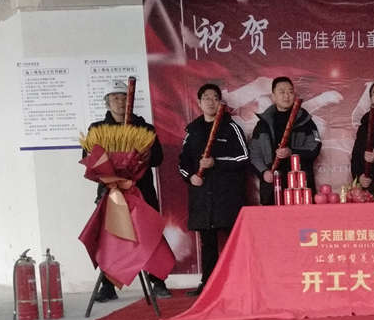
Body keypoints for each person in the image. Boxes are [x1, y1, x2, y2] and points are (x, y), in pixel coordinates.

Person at [85, 79, 171, 301]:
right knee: (110, 238)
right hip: (111, 193)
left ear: (131, 101)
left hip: (141, 193)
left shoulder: (145, 129)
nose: (120, 101)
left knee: (149, 234)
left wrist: (143, 158)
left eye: (124, 97)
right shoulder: (97, 130)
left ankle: (158, 281)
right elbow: (88, 159)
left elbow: (158, 159)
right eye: (114, 98)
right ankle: (108, 286)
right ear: (107, 102)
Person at [179, 83, 249, 296]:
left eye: (215, 98)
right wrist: (190, 177)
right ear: (199, 103)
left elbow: (243, 157)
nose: (211, 102)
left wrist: (215, 162)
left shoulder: (231, 127)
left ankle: (239, 282)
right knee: (207, 243)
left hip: (227, 196)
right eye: (206, 98)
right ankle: (208, 285)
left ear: (220, 102)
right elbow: (183, 161)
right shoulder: (192, 130)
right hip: (202, 196)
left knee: (234, 241)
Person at [250, 77, 321, 205]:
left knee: (303, 217)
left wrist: (291, 152)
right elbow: (254, 153)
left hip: (300, 185)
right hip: (272, 185)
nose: (287, 96)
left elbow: (314, 147)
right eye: (282, 92)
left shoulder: (305, 120)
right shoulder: (263, 124)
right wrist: (264, 172)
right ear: (273, 96)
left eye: (290, 92)